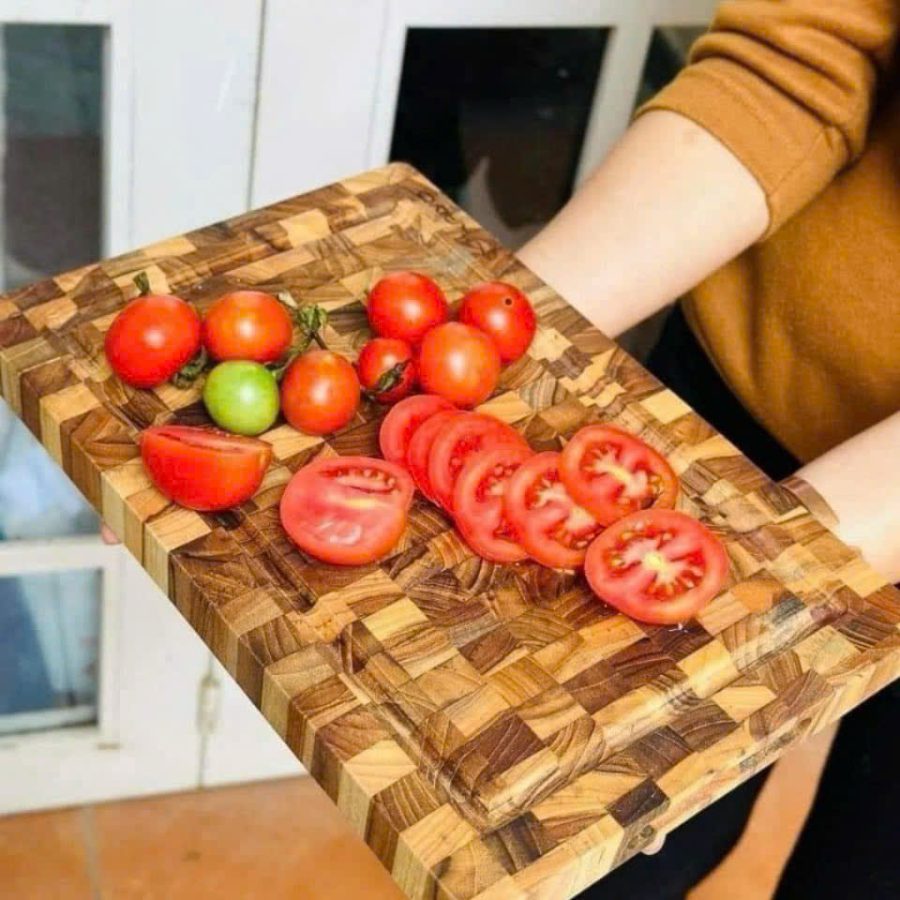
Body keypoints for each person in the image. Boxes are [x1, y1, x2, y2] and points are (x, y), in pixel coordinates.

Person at [516, 0, 899, 896]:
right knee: (602, 861)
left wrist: (773, 560)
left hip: (702, 527)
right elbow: (802, 51)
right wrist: (508, 328)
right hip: (727, 404)